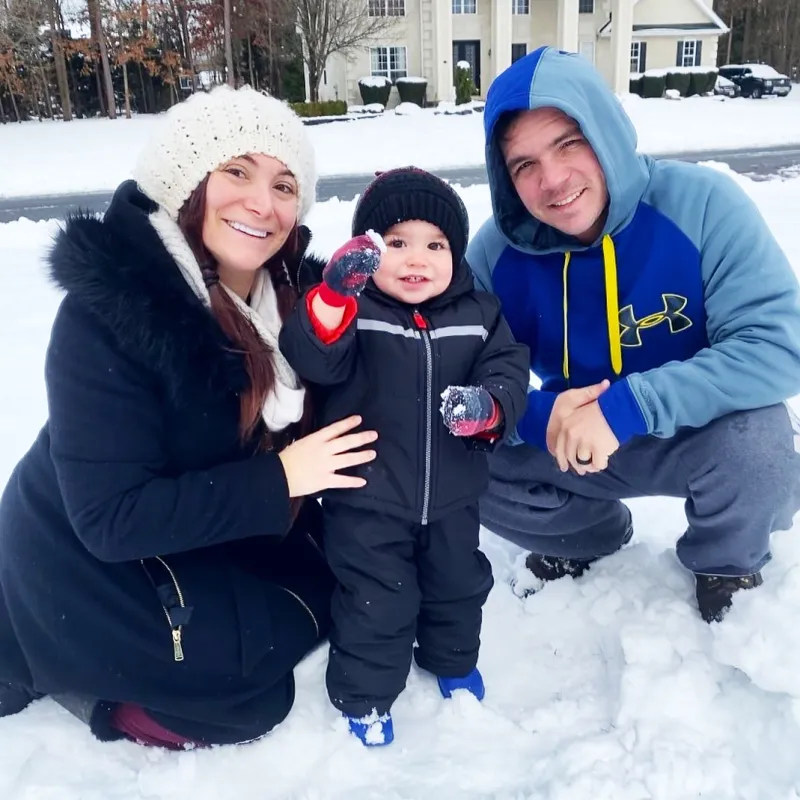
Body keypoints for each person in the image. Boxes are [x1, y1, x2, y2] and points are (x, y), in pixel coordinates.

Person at [0, 85, 379, 748]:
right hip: (83, 556)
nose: (262, 203)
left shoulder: (294, 305)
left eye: (285, 184)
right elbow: (111, 519)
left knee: (328, 599)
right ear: (186, 181)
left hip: (203, 529)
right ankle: (88, 692)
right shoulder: (113, 313)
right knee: (252, 700)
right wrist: (284, 479)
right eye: (237, 171)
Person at [466, 46, 800, 623]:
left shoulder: (702, 206)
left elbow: (778, 344)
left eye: (569, 143)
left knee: (761, 445)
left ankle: (724, 564)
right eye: (524, 165)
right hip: (572, 439)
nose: (552, 180)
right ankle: (585, 539)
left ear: (608, 132)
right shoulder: (496, 253)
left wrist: (629, 407)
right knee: (462, 459)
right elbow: (457, 375)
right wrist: (538, 417)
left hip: (698, 429)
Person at [279, 168, 529, 745]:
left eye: (435, 244)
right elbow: (314, 359)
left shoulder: (479, 313)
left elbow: (509, 370)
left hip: (455, 498)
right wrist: (334, 298)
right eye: (396, 243)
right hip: (366, 501)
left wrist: (489, 407)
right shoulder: (356, 314)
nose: (417, 259)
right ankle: (365, 698)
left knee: (458, 585)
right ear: (367, 252)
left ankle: (453, 660)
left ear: (456, 253)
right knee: (376, 600)